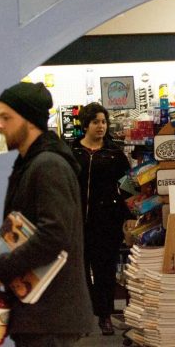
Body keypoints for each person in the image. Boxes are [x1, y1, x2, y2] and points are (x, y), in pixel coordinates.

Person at [0, 81, 94, 346]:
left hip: (49, 316)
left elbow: (54, 236)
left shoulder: (48, 165)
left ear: (30, 121)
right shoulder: (31, 164)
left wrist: (0, 267)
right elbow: (21, 235)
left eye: (6, 117)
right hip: (38, 315)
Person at [71, 102, 131, 336]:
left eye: (104, 122)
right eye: (96, 121)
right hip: (78, 222)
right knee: (80, 270)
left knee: (105, 269)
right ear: (86, 124)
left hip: (107, 221)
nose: (101, 126)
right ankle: (85, 317)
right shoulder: (72, 152)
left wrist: (128, 216)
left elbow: (128, 187)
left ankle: (105, 316)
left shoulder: (115, 154)